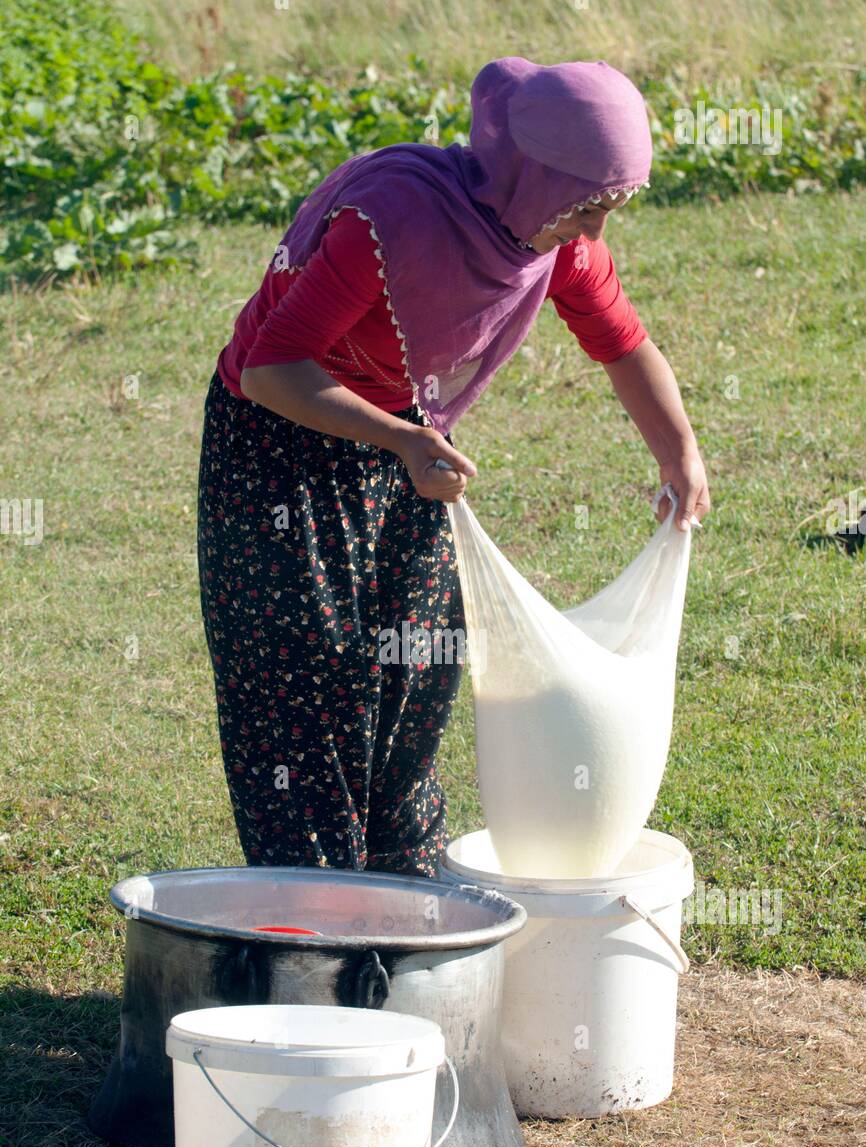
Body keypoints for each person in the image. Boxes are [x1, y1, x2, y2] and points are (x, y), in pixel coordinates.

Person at [197, 56, 711, 878]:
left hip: (402, 439)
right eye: (587, 208)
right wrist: (402, 440)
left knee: (421, 660)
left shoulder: (552, 245)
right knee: (311, 681)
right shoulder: (388, 223)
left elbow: (622, 342)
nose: (593, 234)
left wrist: (678, 453)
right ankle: (314, 907)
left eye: (611, 210)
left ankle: (401, 888)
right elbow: (272, 368)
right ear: (534, 180)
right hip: (279, 445)